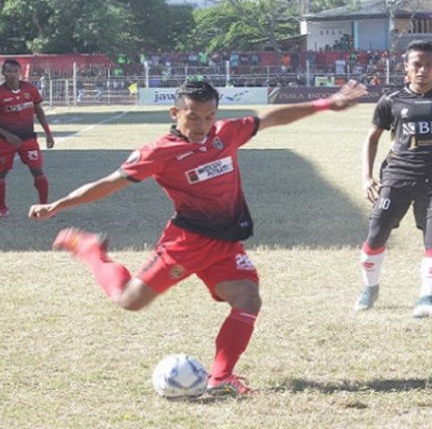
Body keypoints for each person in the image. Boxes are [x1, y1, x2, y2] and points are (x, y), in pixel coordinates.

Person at [28, 80, 367, 396]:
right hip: (187, 242)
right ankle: (90, 249)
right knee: (128, 301)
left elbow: (271, 118)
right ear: (174, 114)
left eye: (209, 116)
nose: (202, 125)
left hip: (226, 242)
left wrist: (326, 104)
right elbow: (109, 183)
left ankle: (221, 378)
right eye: (193, 117)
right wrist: (58, 205)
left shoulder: (226, 134)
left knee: (248, 299)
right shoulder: (159, 151)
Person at [354, 40, 432, 318]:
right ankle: (370, 289)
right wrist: (367, 176)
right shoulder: (391, 101)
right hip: (397, 178)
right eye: (416, 64)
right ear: (406, 67)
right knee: (375, 236)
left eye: (428, 65)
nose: (422, 70)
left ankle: (426, 299)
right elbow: (372, 139)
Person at [0, 59, 53, 217]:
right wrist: (7, 135)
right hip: (4, 142)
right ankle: (2, 208)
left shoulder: (30, 89)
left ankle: (44, 206)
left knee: (38, 171)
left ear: (20, 72)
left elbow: (39, 111)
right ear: (3, 73)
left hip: (28, 139)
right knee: (1, 174)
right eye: (9, 71)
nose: (13, 75)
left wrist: (48, 133)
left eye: (15, 71)